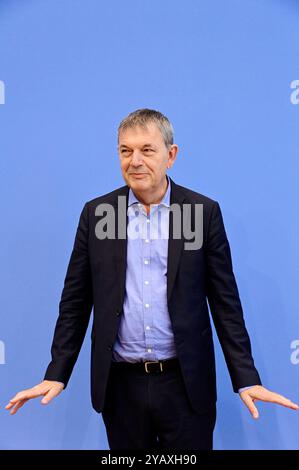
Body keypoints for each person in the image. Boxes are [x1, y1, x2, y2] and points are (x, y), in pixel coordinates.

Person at [5, 109, 298, 450]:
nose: (135, 161)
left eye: (147, 150)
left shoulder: (200, 213)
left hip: (185, 385)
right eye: (125, 151)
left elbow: (225, 304)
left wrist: (246, 379)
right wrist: (57, 372)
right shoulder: (100, 214)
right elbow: (75, 301)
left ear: (170, 156)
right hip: (121, 386)